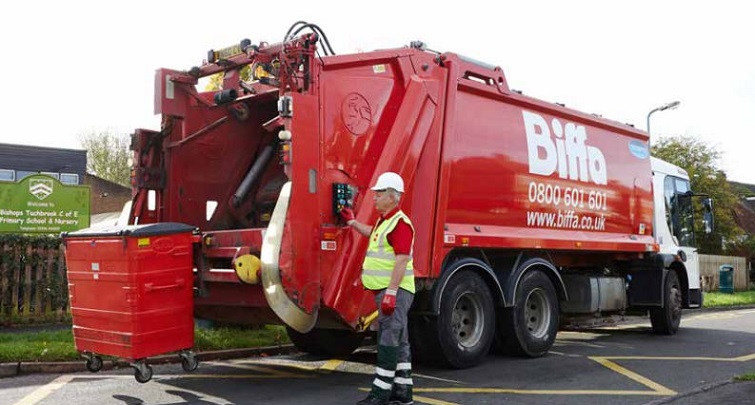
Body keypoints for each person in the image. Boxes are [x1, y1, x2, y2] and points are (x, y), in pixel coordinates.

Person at [340, 172, 416, 405]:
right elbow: (371, 233)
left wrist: (391, 293)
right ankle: (403, 392)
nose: (374, 198)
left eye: (379, 194)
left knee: (388, 339)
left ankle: (380, 394)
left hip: (395, 291)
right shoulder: (386, 222)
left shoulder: (401, 224)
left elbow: (402, 260)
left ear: (392, 197)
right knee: (400, 338)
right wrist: (352, 222)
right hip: (388, 291)